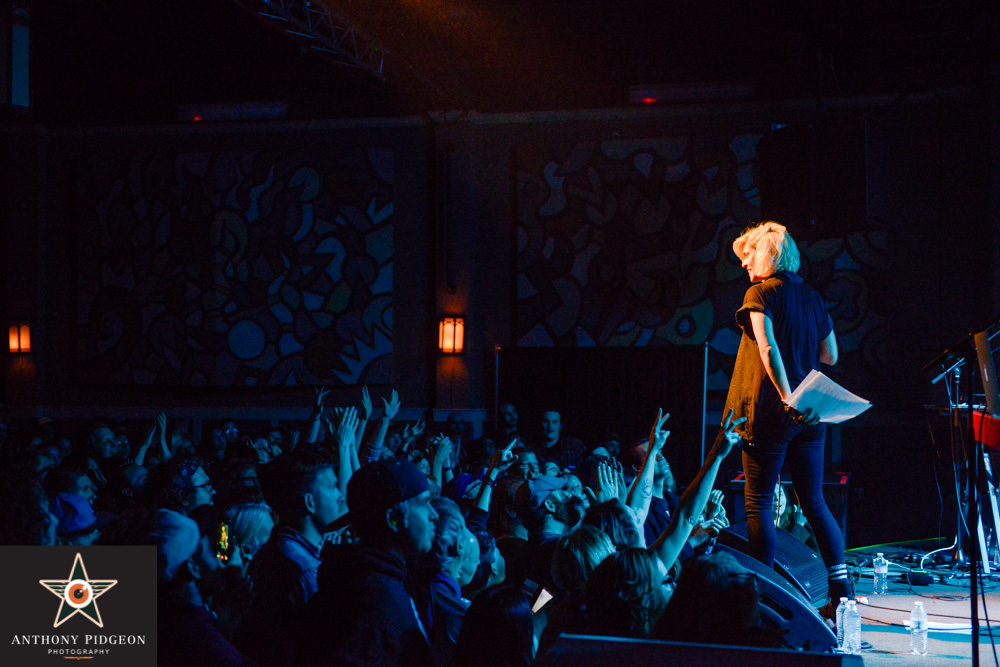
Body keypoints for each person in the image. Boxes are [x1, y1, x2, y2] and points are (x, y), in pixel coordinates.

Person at [724, 221, 850, 607]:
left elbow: (767, 349)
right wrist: (801, 388)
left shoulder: (759, 294)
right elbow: (831, 355)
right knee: (813, 500)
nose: (745, 265)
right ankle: (843, 594)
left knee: (759, 501)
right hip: (810, 412)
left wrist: (785, 396)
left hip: (770, 411)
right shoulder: (812, 298)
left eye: (748, 257)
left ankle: (763, 595)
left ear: (766, 255)